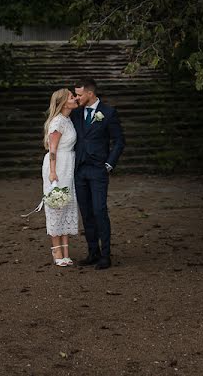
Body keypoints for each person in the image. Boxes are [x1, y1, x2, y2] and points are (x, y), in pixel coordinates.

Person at [72, 78, 125, 270]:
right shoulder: (76, 113)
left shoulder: (109, 113)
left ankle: (106, 255)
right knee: (86, 213)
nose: (76, 98)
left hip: (98, 170)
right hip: (79, 170)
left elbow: (119, 141)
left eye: (79, 94)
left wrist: (109, 164)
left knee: (99, 211)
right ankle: (92, 252)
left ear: (90, 93)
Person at [41, 88, 80, 267]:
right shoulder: (57, 122)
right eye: (72, 97)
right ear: (64, 102)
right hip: (58, 165)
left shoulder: (68, 120)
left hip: (69, 164)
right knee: (56, 205)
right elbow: (53, 149)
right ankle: (56, 250)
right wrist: (53, 172)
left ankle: (65, 250)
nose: (75, 99)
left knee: (66, 205)